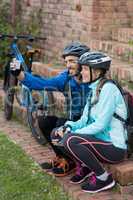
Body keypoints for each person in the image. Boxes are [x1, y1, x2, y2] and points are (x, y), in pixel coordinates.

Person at [10, 41, 90, 175]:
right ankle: (64, 158)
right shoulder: (65, 78)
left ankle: (72, 160)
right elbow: (42, 83)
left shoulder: (94, 80)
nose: (68, 65)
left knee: (60, 124)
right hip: (73, 120)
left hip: (89, 123)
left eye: (72, 61)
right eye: (66, 61)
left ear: (83, 62)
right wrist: (19, 74)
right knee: (44, 121)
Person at [53, 51, 127, 193]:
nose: (82, 72)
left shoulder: (108, 89)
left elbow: (101, 125)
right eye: (82, 69)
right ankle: (86, 167)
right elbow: (83, 121)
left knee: (70, 139)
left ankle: (104, 178)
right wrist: (68, 126)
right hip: (100, 142)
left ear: (97, 71)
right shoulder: (94, 91)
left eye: (86, 69)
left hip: (115, 148)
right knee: (57, 133)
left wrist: (71, 132)